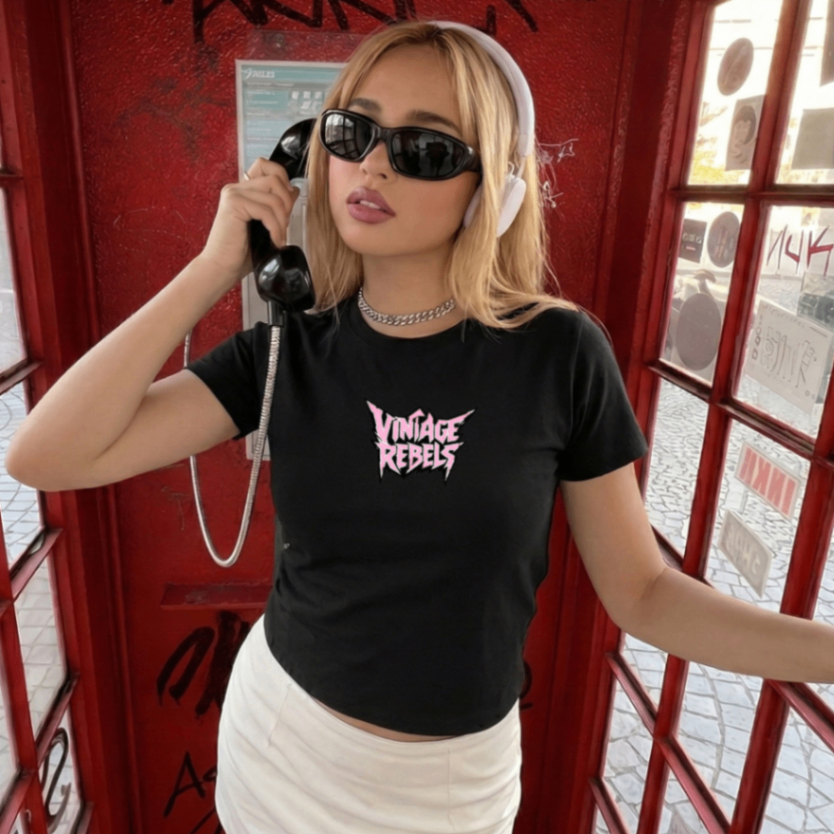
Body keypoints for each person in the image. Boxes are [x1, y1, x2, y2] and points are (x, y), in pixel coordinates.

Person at [7, 17, 834, 834]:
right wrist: (213, 268)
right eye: (353, 131)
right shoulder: (288, 351)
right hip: (281, 750)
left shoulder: (558, 353)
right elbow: (45, 454)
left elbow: (646, 595)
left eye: (425, 149)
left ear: (494, 190)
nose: (372, 164)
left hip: (452, 791)